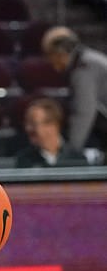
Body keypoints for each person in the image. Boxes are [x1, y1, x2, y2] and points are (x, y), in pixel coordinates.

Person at [41, 26, 107, 158]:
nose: (50, 62)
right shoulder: (89, 58)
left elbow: (84, 111)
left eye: (50, 55)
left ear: (60, 53)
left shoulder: (84, 68)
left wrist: (71, 151)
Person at [15, 97, 88, 168]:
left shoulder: (77, 159)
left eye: (33, 124)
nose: (28, 128)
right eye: (27, 124)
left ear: (52, 126)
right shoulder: (24, 160)